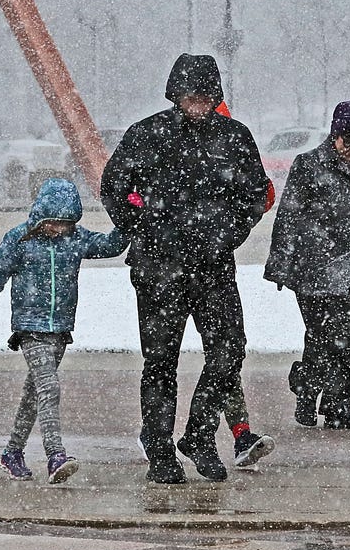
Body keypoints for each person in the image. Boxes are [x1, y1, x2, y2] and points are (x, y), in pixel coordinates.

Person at [101, 53, 270, 484]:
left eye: (204, 95)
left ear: (215, 96)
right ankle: (160, 452)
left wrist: (227, 234)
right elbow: (113, 187)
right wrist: (145, 230)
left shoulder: (234, 137)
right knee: (160, 363)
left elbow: (254, 195)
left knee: (230, 350)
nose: (196, 102)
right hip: (158, 270)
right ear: (175, 94)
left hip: (213, 266)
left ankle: (198, 434)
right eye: (189, 94)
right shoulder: (147, 134)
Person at [0, 178, 130, 485]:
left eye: (65, 224)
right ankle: (55, 456)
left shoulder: (76, 238)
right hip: (30, 328)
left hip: (60, 329)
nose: (59, 230)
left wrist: (128, 217)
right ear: (41, 216)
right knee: (50, 388)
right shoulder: (19, 239)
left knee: (35, 393)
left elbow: (110, 246)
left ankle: (12, 453)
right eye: (53, 223)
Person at [264, 100, 350, 430]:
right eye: (348, 141)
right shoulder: (308, 164)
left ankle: (336, 408)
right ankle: (307, 390)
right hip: (316, 270)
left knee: (349, 341)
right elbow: (289, 216)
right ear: (334, 136)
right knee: (325, 338)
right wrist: (281, 265)